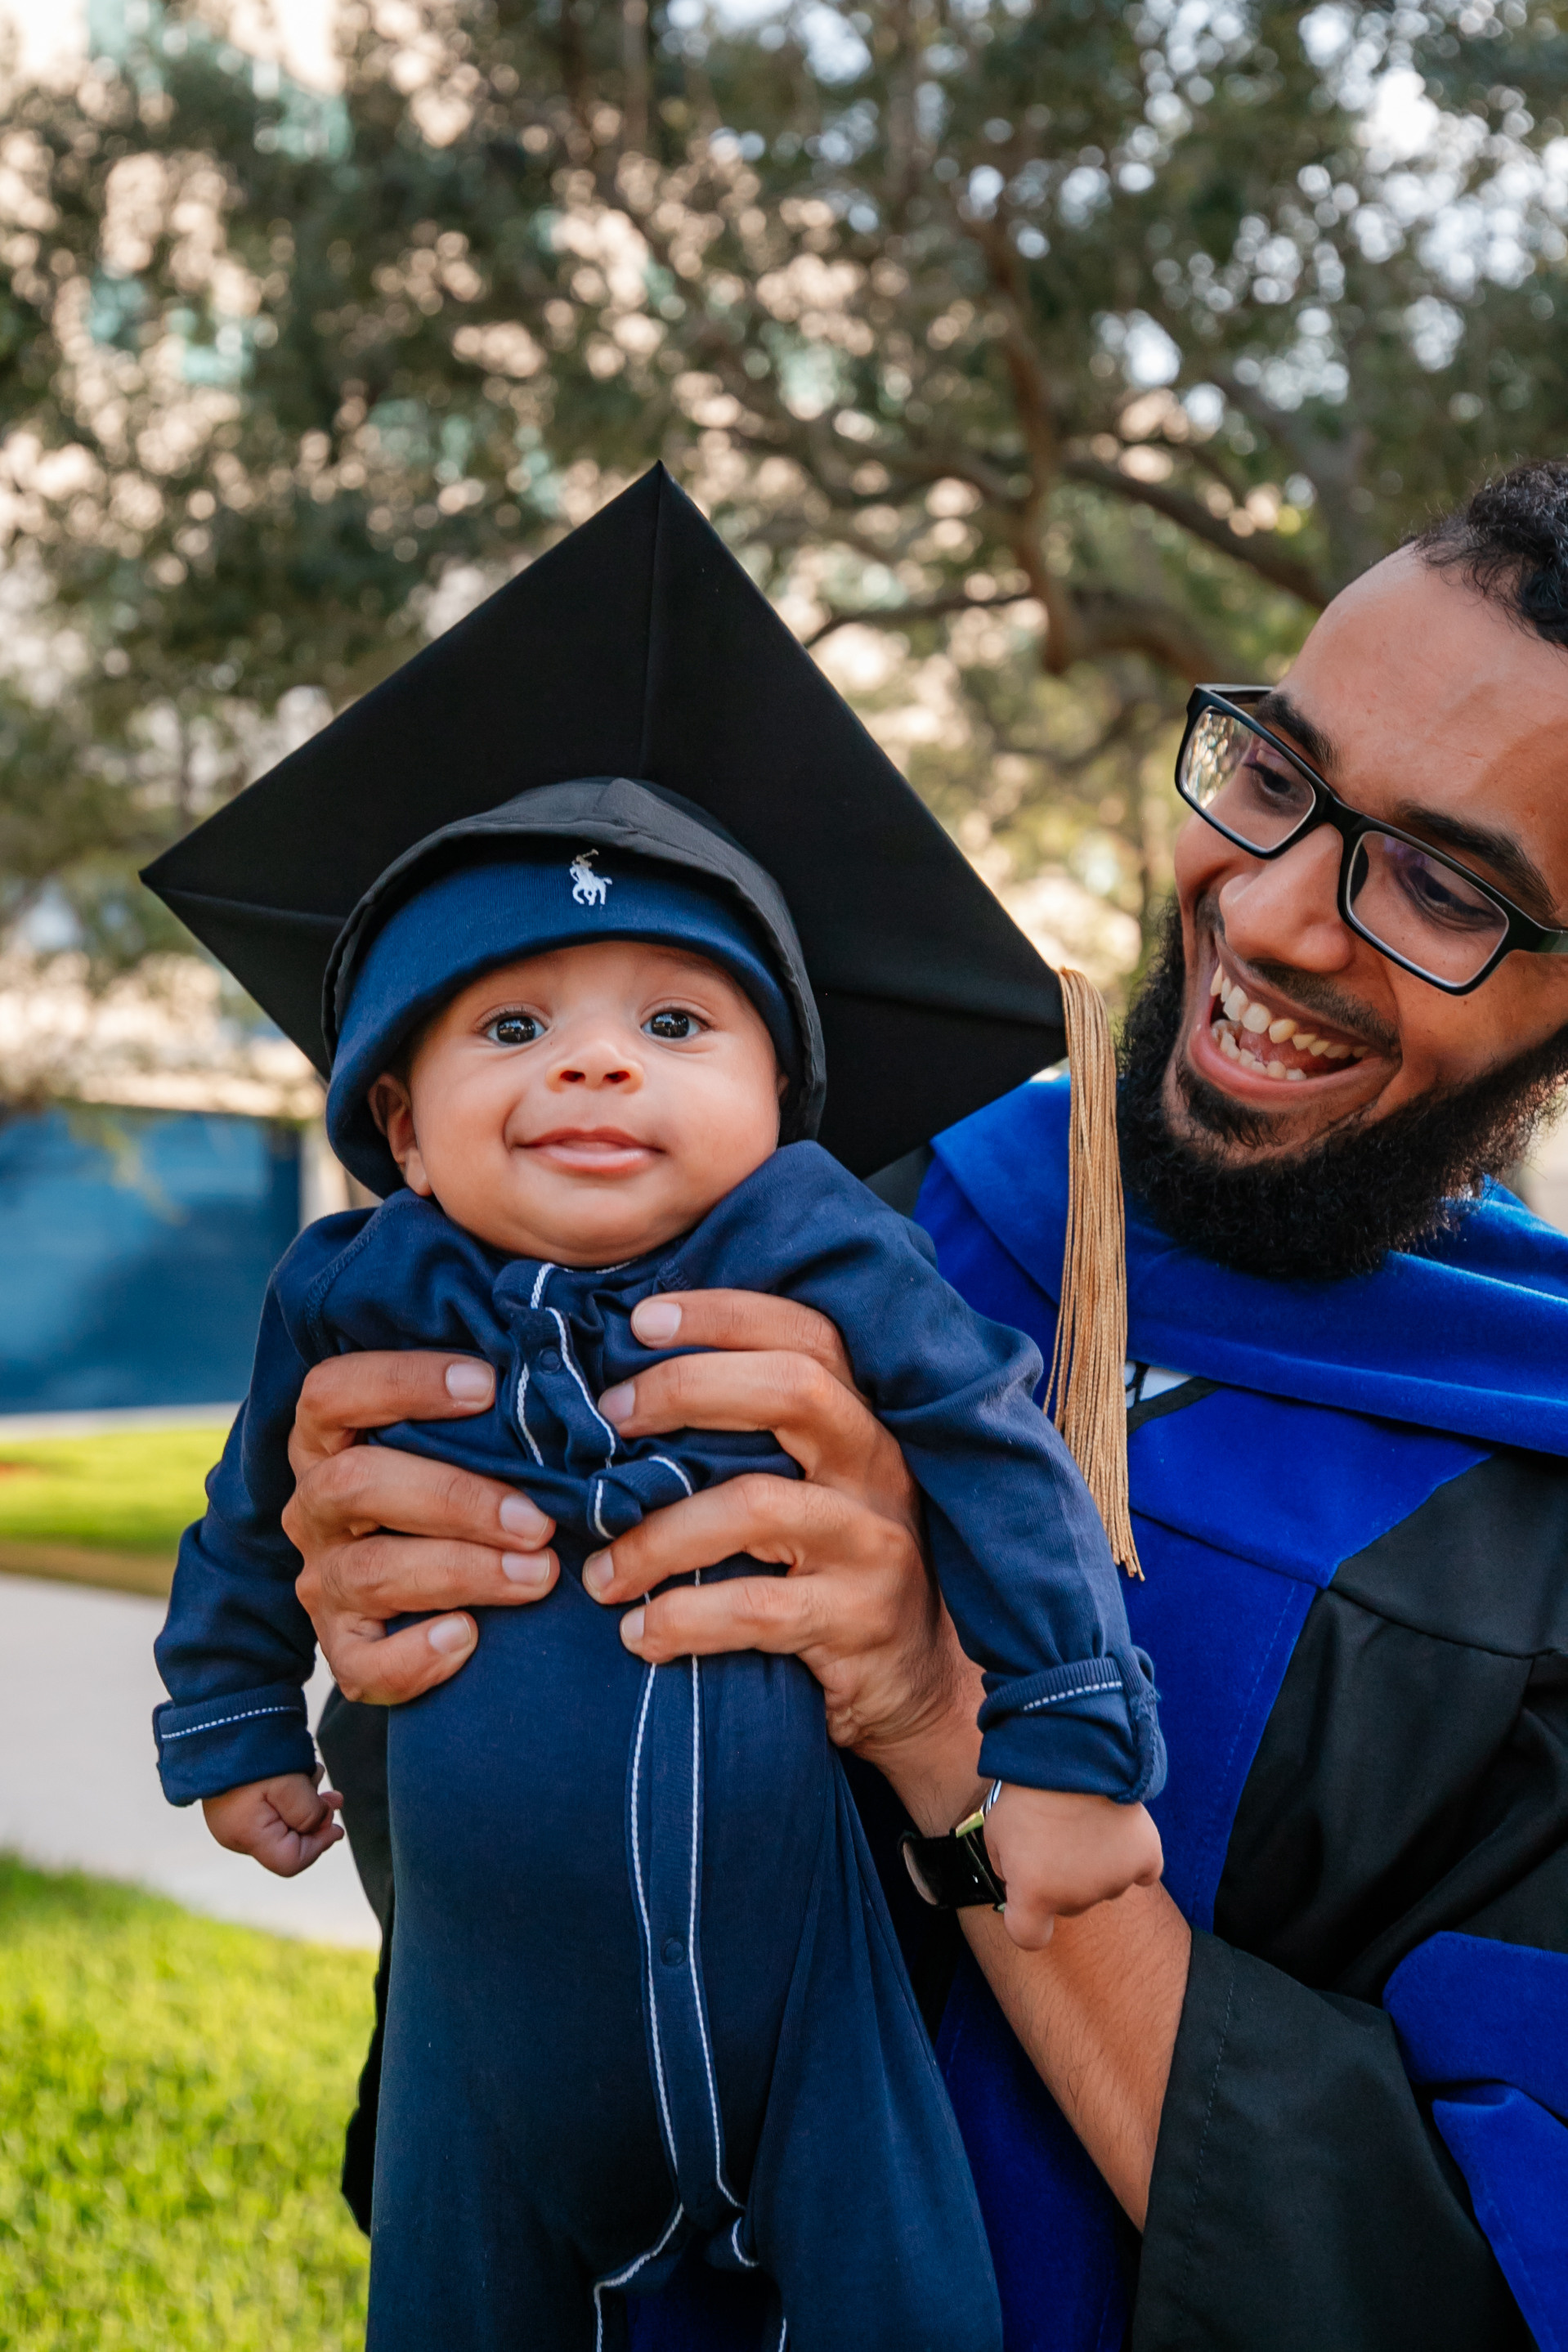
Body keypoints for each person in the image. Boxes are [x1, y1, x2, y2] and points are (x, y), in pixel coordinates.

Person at [260, 460, 1568, 2352]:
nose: (1275, 917)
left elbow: (1440, 2283)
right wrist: (400, 1569)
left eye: (1443, 885)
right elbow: (485, 1907)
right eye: (1271, 776)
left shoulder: (1528, 1523)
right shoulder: (848, 1204)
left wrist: (948, 1716)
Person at [144, 472, 1163, 2350]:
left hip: (813, 1987)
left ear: (784, 1094)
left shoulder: (817, 1244)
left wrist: (1068, 1742)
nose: (598, 1054)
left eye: (676, 1024)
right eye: (509, 1027)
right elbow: (245, 1524)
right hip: (479, 2007)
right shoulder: (348, 1289)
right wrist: (226, 1710)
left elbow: (994, 1449)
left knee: (907, 2295)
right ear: (396, 1120)